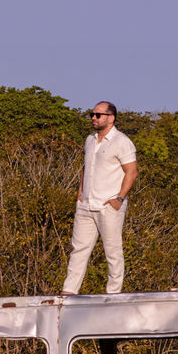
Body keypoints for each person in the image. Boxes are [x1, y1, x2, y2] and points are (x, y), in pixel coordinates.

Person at [61, 101, 138, 295]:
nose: (94, 118)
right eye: (92, 114)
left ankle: (113, 294)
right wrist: (80, 192)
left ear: (110, 118)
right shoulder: (89, 139)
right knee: (78, 250)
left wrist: (119, 199)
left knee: (112, 252)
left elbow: (132, 172)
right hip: (86, 204)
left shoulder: (122, 141)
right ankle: (68, 292)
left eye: (98, 115)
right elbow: (87, 166)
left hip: (109, 206)